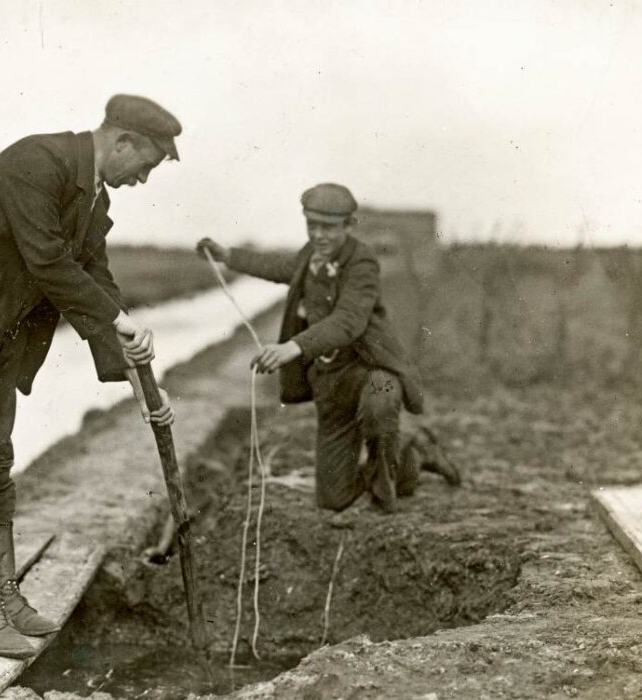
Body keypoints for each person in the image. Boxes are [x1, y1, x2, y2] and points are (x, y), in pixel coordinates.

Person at [0, 94, 181, 659]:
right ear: (122, 142)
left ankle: (5, 596)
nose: (143, 180)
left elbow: (96, 275)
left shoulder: (92, 195)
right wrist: (115, 317)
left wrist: (143, 380)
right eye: (144, 166)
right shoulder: (37, 162)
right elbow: (49, 261)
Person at [196, 183, 460, 517]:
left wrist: (293, 347)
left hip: (368, 371)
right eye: (312, 226)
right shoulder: (311, 255)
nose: (319, 235)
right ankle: (413, 454)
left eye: (329, 228)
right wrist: (228, 256)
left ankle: (398, 463)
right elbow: (281, 269)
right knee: (334, 498)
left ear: (349, 226)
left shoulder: (362, 262)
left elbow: (348, 320)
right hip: (330, 382)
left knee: (382, 403)